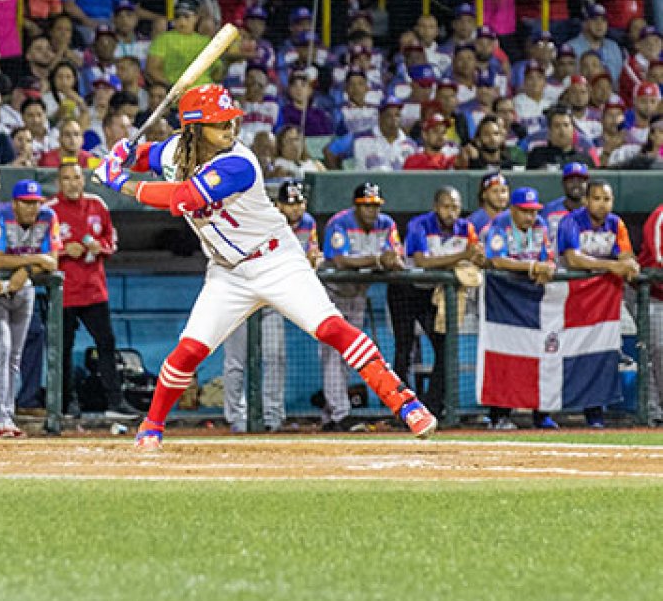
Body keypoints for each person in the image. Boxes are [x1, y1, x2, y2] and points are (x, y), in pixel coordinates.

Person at [94, 84, 438, 451]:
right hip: (227, 272)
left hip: (276, 261)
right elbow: (152, 153)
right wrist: (126, 154)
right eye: (219, 123)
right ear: (194, 129)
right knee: (189, 351)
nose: (230, 129)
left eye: (231, 122)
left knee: (331, 328)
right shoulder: (178, 149)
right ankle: (151, 426)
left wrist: (122, 182)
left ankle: (407, 404)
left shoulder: (238, 163)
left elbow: (183, 198)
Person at [222, 180, 321, 434]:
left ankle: (272, 416)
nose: (296, 209)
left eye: (299, 203)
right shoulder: (261, 220)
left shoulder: (308, 224)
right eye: (290, 204)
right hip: (240, 295)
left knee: (275, 358)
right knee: (236, 361)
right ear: (277, 206)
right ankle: (237, 417)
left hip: (271, 299)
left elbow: (310, 258)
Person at [49, 159, 140, 421]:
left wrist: (100, 247)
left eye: (76, 178)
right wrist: (66, 251)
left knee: (107, 343)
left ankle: (115, 401)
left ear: (83, 180)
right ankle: (66, 405)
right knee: (62, 348)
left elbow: (111, 239)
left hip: (94, 290)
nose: (72, 183)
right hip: (63, 292)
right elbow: (41, 247)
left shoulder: (97, 205)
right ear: (59, 183)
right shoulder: (49, 211)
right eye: (66, 179)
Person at [390, 186, 485, 418]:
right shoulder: (419, 225)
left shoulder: (466, 228)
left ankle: (432, 407)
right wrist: (462, 256)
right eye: (445, 206)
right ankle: (400, 408)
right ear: (435, 207)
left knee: (445, 349)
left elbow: (478, 254)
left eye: (455, 207)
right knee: (404, 348)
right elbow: (423, 261)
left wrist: (478, 257)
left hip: (433, 295)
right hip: (406, 290)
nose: (451, 212)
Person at [0, 179, 61, 438]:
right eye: (26, 202)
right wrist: (36, 259)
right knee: (1, 348)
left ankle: (7, 415)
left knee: (14, 355)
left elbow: (53, 262)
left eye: (35, 202)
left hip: (24, 288)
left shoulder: (49, 216)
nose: (32, 208)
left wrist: (24, 269)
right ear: (15, 203)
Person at [320, 183, 403, 431]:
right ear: (356, 205)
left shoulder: (387, 224)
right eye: (366, 206)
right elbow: (341, 260)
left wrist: (392, 260)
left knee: (348, 354)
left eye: (375, 205)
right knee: (332, 354)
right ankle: (339, 414)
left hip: (357, 294)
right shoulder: (340, 222)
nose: (371, 211)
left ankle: (332, 414)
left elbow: (397, 256)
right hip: (331, 293)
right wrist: (378, 259)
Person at [557, 180, 641, 428]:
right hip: (568, 298)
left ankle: (600, 411)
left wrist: (628, 264)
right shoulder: (571, 221)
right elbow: (572, 259)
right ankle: (547, 412)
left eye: (607, 199)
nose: (602, 205)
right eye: (596, 199)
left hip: (603, 299)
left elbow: (626, 257)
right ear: (586, 200)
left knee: (604, 350)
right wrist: (612, 266)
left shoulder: (616, 223)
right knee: (563, 352)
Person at [483, 186, 558, 430]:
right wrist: (532, 267)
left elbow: (549, 258)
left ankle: (542, 413)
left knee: (542, 352)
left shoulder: (541, 225)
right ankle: (499, 414)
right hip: (502, 299)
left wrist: (547, 267)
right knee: (505, 356)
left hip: (532, 298)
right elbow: (496, 259)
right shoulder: (501, 224)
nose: (530, 217)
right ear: (513, 209)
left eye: (533, 211)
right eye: (525, 212)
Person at [638, 204, 663, 425]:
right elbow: (658, 263)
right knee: (657, 347)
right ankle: (653, 412)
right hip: (650, 293)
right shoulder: (660, 216)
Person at [526, 107, 594, 171]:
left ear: (573, 130)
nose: (562, 130)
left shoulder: (585, 159)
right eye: (557, 126)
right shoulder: (536, 155)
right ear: (549, 132)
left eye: (566, 125)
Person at [468, 172, 510, 237]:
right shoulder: (473, 222)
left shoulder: (512, 219)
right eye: (495, 191)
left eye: (503, 191)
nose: (500, 196)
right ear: (484, 194)